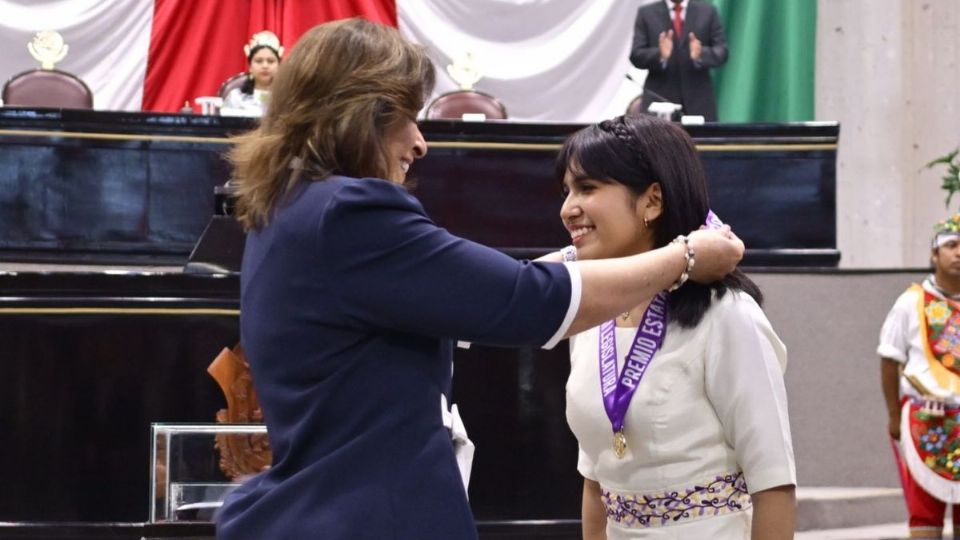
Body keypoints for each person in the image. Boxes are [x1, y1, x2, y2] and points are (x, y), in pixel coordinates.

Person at [214, 18, 744, 540]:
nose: (420, 143)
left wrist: (579, 259)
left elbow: (475, 288)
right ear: (361, 116)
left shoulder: (288, 211)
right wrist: (686, 257)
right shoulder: (350, 212)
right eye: (406, 117)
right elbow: (521, 300)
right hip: (368, 517)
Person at [553, 114, 795, 539]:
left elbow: (773, 482)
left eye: (587, 188)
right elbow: (594, 480)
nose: (568, 208)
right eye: (567, 191)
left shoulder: (727, 314)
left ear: (652, 201)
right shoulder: (593, 314)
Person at [879, 214, 960, 539]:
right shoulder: (910, 302)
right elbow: (889, 359)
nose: (958, 254)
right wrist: (894, 415)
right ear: (934, 254)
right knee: (925, 515)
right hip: (927, 422)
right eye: (951, 245)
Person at [629, 0, 728, 122]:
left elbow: (722, 52)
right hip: (659, 101)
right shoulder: (646, 13)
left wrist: (701, 53)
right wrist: (659, 54)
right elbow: (636, 55)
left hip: (699, 101)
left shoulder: (708, 11)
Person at [220, 31, 282, 117]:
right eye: (259, 61)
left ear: (278, 66)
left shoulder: (287, 99)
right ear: (250, 67)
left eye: (270, 61)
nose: (265, 66)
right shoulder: (236, 98)